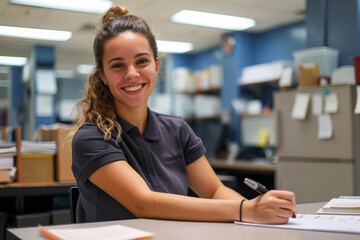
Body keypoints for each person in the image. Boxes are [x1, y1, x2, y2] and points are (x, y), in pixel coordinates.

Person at [70, 4, 297, 224]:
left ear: (157, 67)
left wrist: (260, 217)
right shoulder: (92, 138)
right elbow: (144, 203)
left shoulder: (176, 130)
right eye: (118, 65)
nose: (132, 74)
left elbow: (214, 190)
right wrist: (246, 209)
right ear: (103, 75)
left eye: (141, 61)